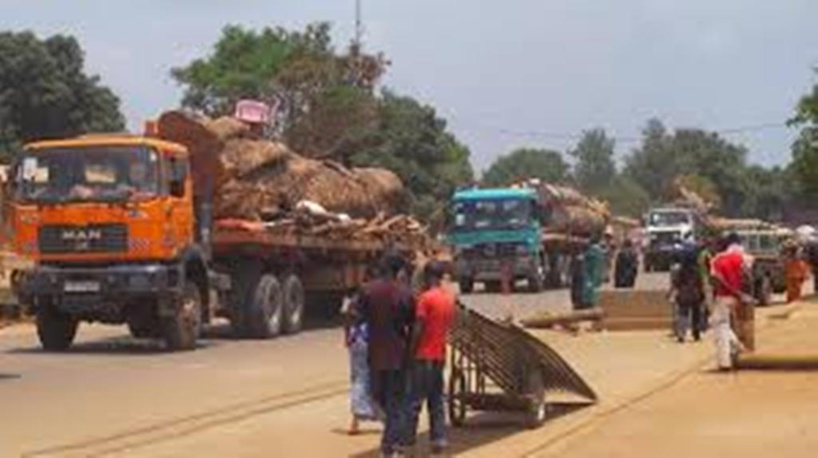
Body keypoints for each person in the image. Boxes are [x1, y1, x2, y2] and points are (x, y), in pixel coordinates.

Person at [358, 253, 415, 457]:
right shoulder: (405, 293)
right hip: (399, 355)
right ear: (398, 271)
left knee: (379, 398)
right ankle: (391, 444)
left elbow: (354, 316)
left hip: (375, 355)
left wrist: (352, 338)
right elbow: (413, 324)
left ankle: (389, 443)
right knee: (395, 402)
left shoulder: (367, 291)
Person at [402, 261, 456, 454]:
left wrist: (410, 352)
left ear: (428, 277)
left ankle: (407, 442)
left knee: (413, 402)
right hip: (439, 355)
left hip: (423, 356)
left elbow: (418, 329)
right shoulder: (449, 299)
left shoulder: (425, 299)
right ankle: (439, 439)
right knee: (436, 400)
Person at [340, 268, 381, 435]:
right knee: (375, 378)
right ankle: (380, 417)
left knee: (358, 377)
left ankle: (355, 421)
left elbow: (346, 317)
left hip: (356, 339)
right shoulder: (376, 297)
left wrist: (347, 337)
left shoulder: (350, 298)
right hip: (370, 338)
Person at [709, 232, 752, 371]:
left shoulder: (717, 259)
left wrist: (733, 291)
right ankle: (737, 345)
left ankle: (725, 362)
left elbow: (716, 280)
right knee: (723, 324)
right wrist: (743, 294)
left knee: (719, 325)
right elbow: (747, 277)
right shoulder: (744, 257)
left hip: (724, 296)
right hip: (738, 297)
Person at [668, 244, 705, 342]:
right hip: (695, 294)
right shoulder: (697, 270)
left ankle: (681, 334)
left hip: (683, 294)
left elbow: (676, 283)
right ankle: (696, 334)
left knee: (683, 314)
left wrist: (670, 293)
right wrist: (702, 294)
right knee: (696, 315)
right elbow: (700, 283)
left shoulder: (681, 270)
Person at [579, 234, 605, 310]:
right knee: (594, 287)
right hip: (596, 274)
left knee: (589, 287)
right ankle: (592, 302)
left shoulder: (592, 251)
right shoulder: (599, 251)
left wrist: (582, 257)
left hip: (591, 274)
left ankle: (588, 302)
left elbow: (586, 260)